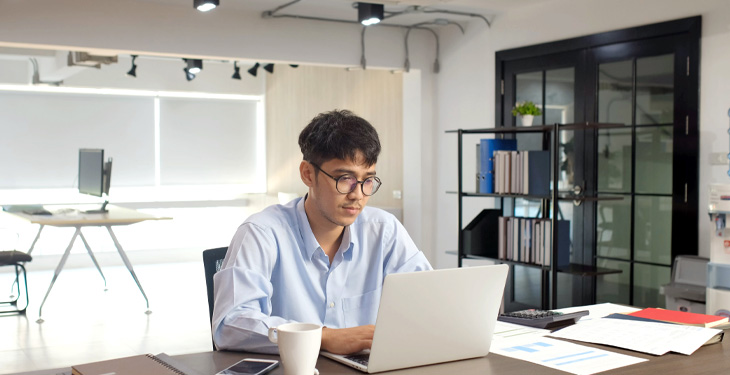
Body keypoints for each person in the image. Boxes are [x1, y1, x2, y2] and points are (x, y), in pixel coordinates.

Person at [212, 109, 432, 354]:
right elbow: (230, 324)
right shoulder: (261, 232)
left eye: (367, 180)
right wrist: (322, 337)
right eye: (345, 178)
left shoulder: (384, 230)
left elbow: (427, 302)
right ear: (308, 174)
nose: (357, 194)